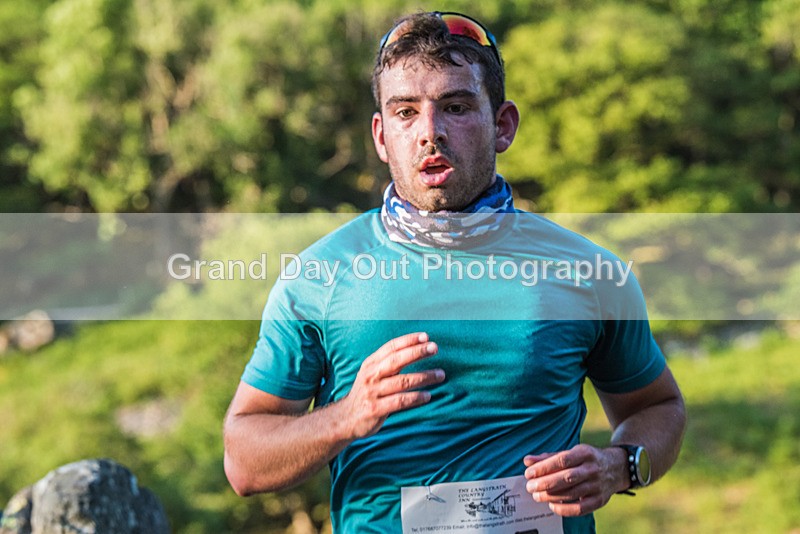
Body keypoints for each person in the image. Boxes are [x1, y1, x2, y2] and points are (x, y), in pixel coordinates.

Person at [223, 11, 686, 534]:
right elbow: (244, 463)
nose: (430, 133)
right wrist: (345, 416)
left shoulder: (589, 273)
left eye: (456, 107)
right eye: (405, 112)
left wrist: (621, 465)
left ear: (503, 125)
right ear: (381, 136)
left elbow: (659, 405)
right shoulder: (319, 277)